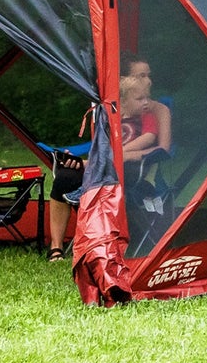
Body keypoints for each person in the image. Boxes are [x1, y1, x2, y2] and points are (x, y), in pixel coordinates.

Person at [45, 57, 172, 262]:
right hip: (105, 165)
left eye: (149, 75)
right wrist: (83, 159)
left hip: (133, 171)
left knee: (104, 175)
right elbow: (102, 147)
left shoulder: (154, 111)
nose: (148, 81)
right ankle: (56, 248)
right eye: (141, 76)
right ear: (124, 81)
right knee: (64, 177)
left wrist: (118, 156)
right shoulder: (109, 111)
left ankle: (99, 240)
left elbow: (160, 147)